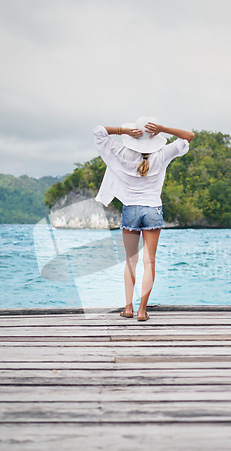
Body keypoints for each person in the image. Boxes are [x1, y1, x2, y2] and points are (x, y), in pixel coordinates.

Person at [93, 116, 194, 321]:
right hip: (152, 210)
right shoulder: (163, 153)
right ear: (154, 138)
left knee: (131, 261)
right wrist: (164, 128)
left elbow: (98, 131)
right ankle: (142, 311)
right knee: (150, 262)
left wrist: (123, 131)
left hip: (130, 209)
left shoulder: (120, 152)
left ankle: (128, 308)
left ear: (134, 138)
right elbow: (189, 136)